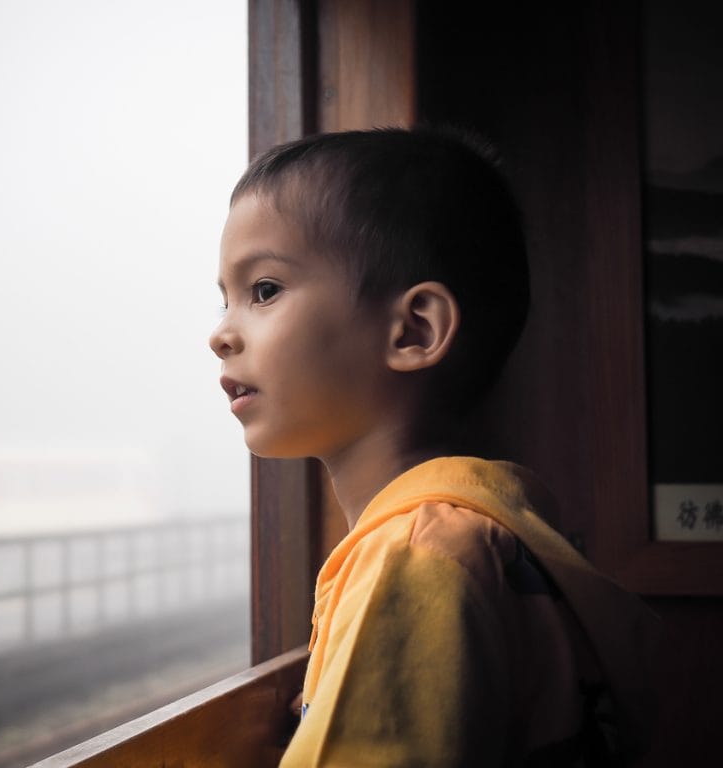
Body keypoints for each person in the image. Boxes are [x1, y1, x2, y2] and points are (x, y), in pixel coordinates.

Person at [209, 127, 659, 767]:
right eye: (223, 298)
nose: (221, 333)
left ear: (414, 329)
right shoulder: (503, 529)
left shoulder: (413, 557)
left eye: (264, 290)